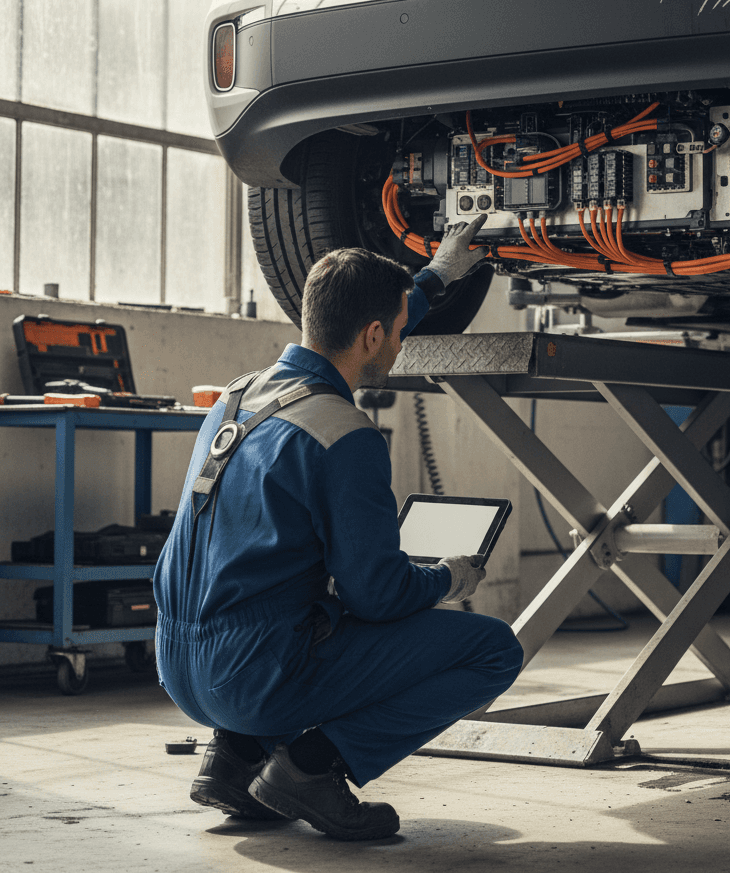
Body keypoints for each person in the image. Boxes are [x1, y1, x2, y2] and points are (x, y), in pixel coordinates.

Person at [153, 217, 523, 841]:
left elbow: (377, 310)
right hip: (253, 676)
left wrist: (438, 272)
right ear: (374, 334)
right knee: (492, 650)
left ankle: (234, 759)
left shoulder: (236, 398)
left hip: (180, 667)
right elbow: (377, 597)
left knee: (295, 594)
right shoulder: (344, 434)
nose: (403, 344)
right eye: (400, 332)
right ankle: (313, 769)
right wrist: (447, 577)